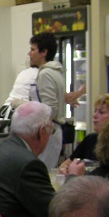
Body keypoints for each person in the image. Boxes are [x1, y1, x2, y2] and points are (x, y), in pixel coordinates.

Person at [0, 101, 56, 217]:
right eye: (50, 131)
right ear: (42, 131)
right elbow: (54, 211)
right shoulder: (28, 164)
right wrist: (73, 178)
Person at [58, 93, 109, 172]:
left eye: (101, 112)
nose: (94, 115)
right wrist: (65, 169)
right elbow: (66, 164)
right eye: (95, 111)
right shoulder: (90, 139)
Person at [28, 32, 66, 168]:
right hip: (51, 131)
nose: (29, 53)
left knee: (43, 172)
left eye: (33, 49)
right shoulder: (54, 72)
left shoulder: (46, 74)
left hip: (48, 133)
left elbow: (50, 109)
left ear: (44, 52)